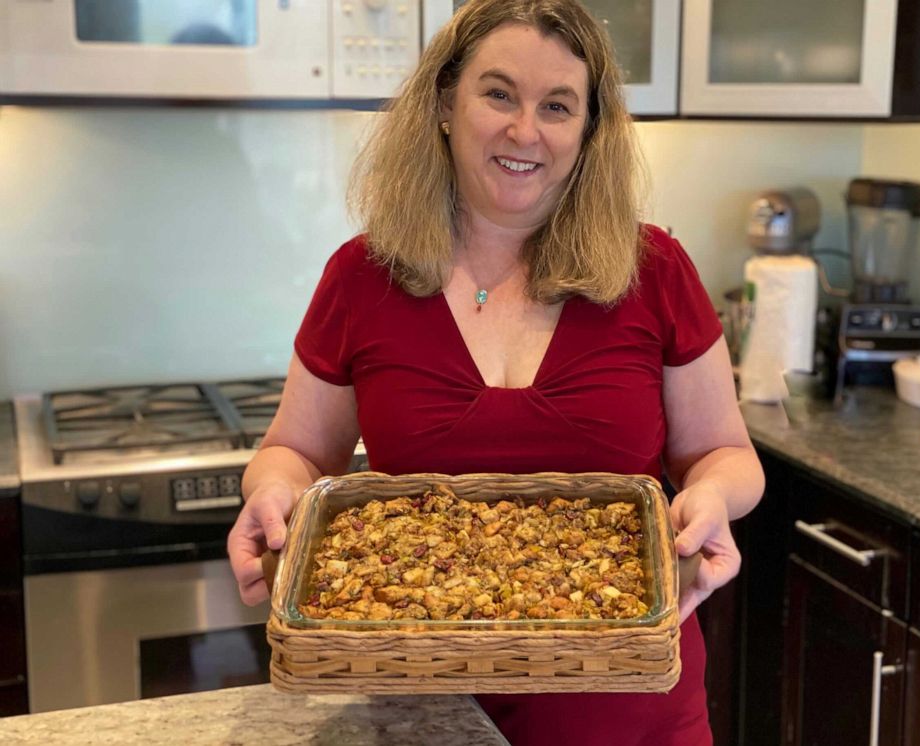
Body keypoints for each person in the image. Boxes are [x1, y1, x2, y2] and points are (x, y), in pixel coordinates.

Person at [227, 0, 765, 743]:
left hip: (633, 715)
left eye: (557, 105)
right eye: (499, 93)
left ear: (588, 130)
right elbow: (296, 450)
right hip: (426, 713)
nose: (525, 131)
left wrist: (709, 497)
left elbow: (728, 454)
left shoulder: (656, 270)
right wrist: (272, 491)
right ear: (446, 103)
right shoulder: (361, 276)